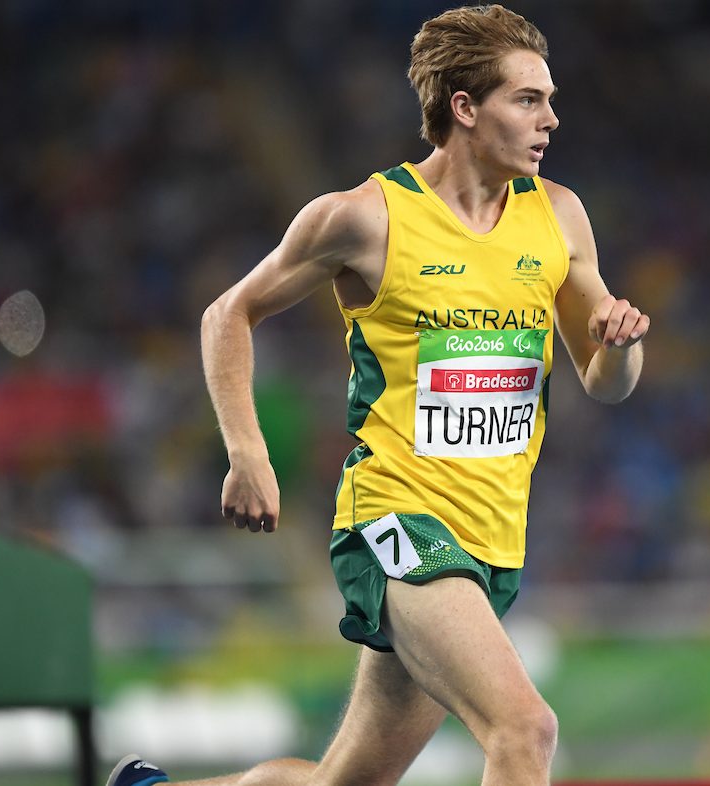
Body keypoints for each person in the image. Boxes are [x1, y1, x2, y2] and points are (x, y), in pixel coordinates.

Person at [107, 5, 649, 786]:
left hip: (491, 545)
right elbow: (228, 313)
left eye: (550, 100)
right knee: (524, 729)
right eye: (528, 99)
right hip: (395, 520)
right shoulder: (365, 218)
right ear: (465, 108)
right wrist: (248, 452)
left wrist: (621, 346)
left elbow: (605, 382)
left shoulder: (559, 216)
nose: (551, 119)